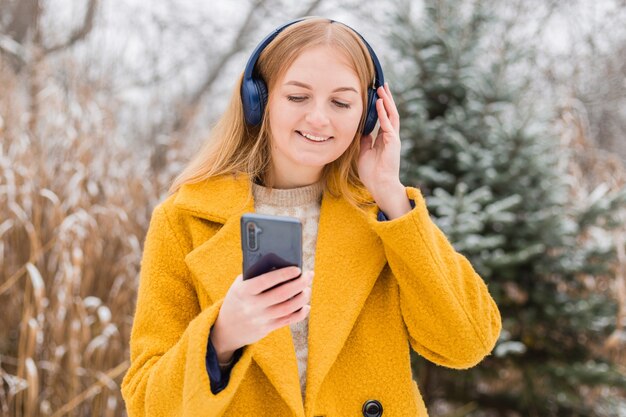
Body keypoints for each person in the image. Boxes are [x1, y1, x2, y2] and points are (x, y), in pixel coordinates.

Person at [121, 16, 501, 417]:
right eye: (297, 97)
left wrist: (391, 194)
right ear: (258, 100)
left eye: (340, 102)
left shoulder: (385, 216)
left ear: (370, 114)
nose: (319, 118)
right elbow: (147, 404)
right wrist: (221, 338)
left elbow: (467, 342)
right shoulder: (185, 219)